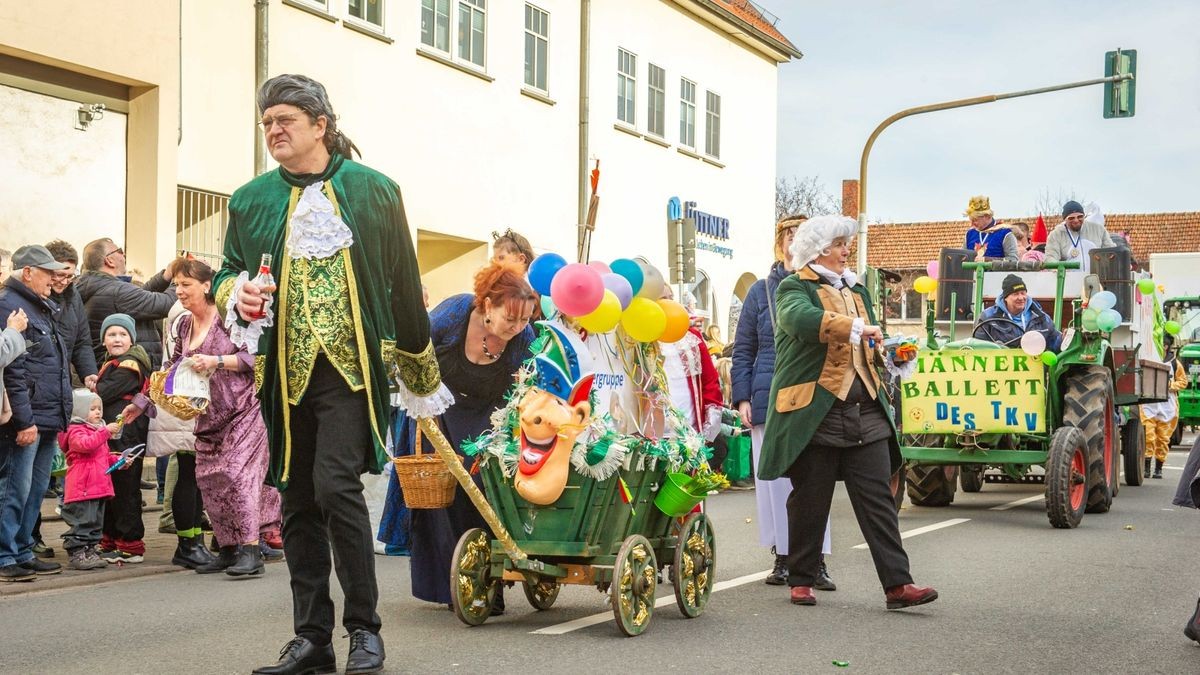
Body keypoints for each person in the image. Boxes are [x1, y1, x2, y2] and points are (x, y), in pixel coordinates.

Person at [217, 74, 448, 675]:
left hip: (349, 373)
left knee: (334, 487)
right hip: (284, 374)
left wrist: (419, 373)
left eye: (285, 120)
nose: (274, 131)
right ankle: (311, 638)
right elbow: (227, 274)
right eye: (267, 123)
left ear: (321, 125)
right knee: (294, 497)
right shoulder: (250, 200)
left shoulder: (374, 192)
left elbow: (402, 280)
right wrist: (236, 295)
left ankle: (364, 631)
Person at [759, 215, 937, 609]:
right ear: (819, 249)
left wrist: (891, 353)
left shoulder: (857, 291)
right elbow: (798, 321)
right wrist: (856, 327)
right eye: (839, 244)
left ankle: (898, 585)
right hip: (814, 410)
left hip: (865, 409)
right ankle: (801, 578)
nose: (846, 251)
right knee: (810, 499)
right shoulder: (794, 286)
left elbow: (869, 342)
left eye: (845, 244)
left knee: (878, 500)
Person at [405, 261, 535, 610]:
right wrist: (419, 395)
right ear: (487, 304)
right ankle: (453, 587)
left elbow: (525, 387)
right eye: (511, 318)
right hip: (439, 408)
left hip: (487, 418)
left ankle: (488, 584)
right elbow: (414, 348)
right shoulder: (456, 312)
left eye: (524, 319)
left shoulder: (523, 338)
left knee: (484, 495)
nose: (518, 326)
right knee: (444, 501)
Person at [732, 216, 835, 590]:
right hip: (768, 394)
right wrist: (743, 397)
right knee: (774, 481)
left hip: (811, 394)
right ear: (780, 243)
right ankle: (783, 554)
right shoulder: (760, 291)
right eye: (789, 235)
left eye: (802, 235)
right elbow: (744, 348)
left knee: (814, 479)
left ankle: (815, 559)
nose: (795, 241)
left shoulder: (825, 285)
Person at [163, 257, 270, 576]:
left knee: (239, 476)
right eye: (176, 285)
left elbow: (255, 358)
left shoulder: (229, 318)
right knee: (210, 480)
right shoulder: (182, 323)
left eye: (186, 284)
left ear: (206, 285)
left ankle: (251, 550)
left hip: (243, 408)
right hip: (206, 412)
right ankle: (227, 548)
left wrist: (216, 361)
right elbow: (177, 363)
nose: (179, 291)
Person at [0, 245, 72, 582]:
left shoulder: (38, 306)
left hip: (45, 414)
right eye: (48, 271)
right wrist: (23, 420)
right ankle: (5, 555)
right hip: (27, 418)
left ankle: (22, 549)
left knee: (34, 489)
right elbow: (14, 370)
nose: (55, 277)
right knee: (15, 487)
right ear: (28, 272)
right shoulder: (10, 307)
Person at [95, 313, 153, 563]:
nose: (117, 339)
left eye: (122, 334)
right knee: (110, 486)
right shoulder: (112, 361)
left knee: (125, 487)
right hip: (113, 433)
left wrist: (91, 388)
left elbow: (104, 393)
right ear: (103, 340)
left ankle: (131, 544)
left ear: (131, 339)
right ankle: (110, 538)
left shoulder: (130, 364)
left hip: (126, 434)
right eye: (111, 334)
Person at [76, 238, 177, 369]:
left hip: (117, 372)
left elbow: (140, 295)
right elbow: (166, 303)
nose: (123, 255)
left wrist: (166, 276)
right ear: (109, 260)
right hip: (129, 375)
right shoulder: (116, 291)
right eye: (120, 251)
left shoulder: (101, 287)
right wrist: (180, 278)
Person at [57, 392, 120, 570]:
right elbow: (85, 446)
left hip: (99, 486)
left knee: (95, 523)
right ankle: (76, 552)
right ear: (80, 410)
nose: (98, 412)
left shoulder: (97, 430)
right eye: (92, 409)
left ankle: (91, 550)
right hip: (82, 487)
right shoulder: (75, 429)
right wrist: (105, 432)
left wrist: (119, 461)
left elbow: (103, 457)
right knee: (83, 522)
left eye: (99, 408)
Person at [973, 274, 1062, 351]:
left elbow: (1055, 343)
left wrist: (1064, 339)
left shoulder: (1042, 317)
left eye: (1023, 293)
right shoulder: (987, 317)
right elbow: (978, 348)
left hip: (1036, 366)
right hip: (1000, 367)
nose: (1020, 297)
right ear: (1005, 298)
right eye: (1015, 294)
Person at [1141, 346, 1188, 479]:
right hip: (1149, 404)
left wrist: (1170, 386)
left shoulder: (1174, 363)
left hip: (1168, 406)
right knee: (1149, 437)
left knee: (1163, 439)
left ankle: (1158, 469)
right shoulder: (1147, 358)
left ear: (1166, 346)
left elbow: (1183, 381)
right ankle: (1146, 468)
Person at [1044, 200, 1116, 263]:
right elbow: (1050, 257)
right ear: (1064, 219)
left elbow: (1111, 251)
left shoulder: (1099, 230)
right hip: (1068, 277)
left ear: (1084, 215)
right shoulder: (1056, 235)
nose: (1076, 220)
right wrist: (1056, 268)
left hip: (1095, 276)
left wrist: (1110, 256)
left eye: (1080, 217)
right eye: (1071, 218)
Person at [962, 195, 1017, 262]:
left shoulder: (1005, 233)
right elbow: (963, 260)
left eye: (975, 220)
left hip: (996, 273)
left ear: (987, 216)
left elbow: (1013, 260)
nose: (972, 224)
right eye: (971, 220)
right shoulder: (969, 234)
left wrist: (987, 260)